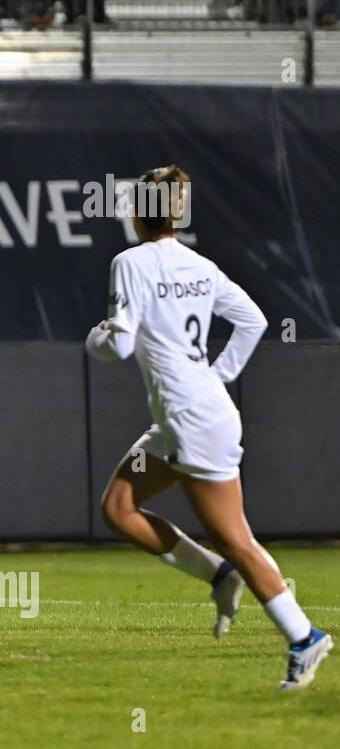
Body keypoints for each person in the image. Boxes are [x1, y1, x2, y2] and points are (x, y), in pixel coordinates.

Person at [90, 165, 331, 690]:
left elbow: (120, 344)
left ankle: (305, 636)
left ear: (138, 212)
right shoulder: (199, 265)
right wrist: (215, 378)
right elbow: (254, 321)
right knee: (118, 508)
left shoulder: (128, 261)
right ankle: (218, 576)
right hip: (185, 419)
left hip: (194, 422)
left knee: (236, 538)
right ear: (175, 211)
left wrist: (95, 338)